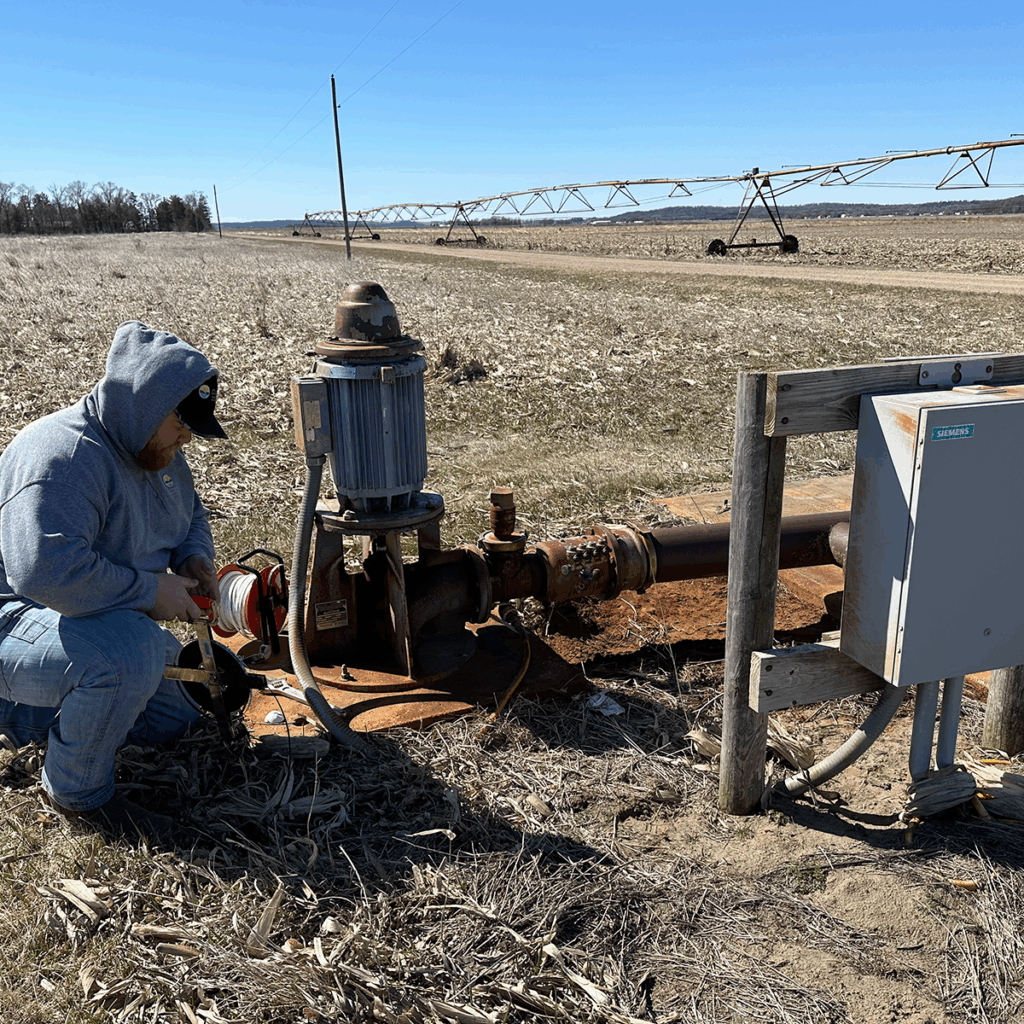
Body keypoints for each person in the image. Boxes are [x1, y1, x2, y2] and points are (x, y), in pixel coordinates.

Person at [0, 320, 228, 838]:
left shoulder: (157, 450)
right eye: (180, 422)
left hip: (80, 621)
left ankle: (36, 713)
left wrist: (194, 557)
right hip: (12, 617)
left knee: (190, 704)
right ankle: (78, 795)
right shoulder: (61, 455)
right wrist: (150, 591)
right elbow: (40, 571)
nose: (187, 436)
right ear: (144, 405)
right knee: (129, 657)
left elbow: (190, 514)